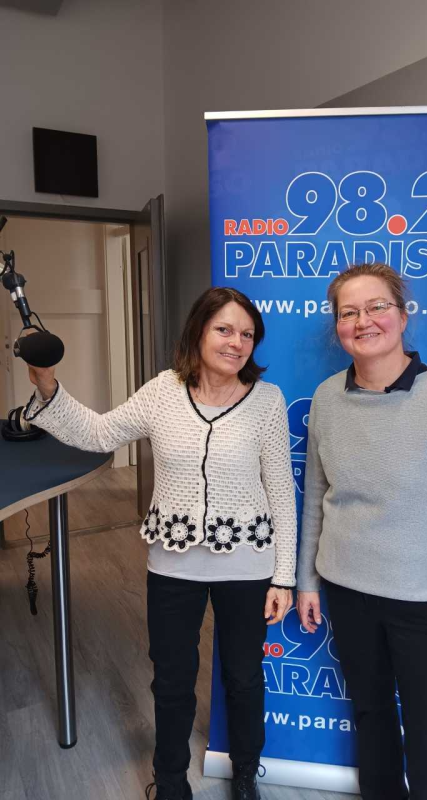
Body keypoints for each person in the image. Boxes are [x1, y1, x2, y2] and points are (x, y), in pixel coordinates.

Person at [25, 286, 297, 800]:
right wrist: (46, 383)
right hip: (173, 565)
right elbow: (98, 433)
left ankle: (245, 774)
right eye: (224, 329)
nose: (236, 343)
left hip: (248, 565)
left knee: (244, 677)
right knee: (171, 679)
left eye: (246, 334)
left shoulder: (267, 401)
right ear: (198, 331)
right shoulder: (162, 392)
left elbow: (281, 490)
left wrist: (283, 576)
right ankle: (171, 782)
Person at [296, 263, 427, 800]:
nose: (363, 321)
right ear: (337, 326)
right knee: (372, 721)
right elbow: (316, 495)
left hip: (424, 607)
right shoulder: (326, 398)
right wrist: (308, 581)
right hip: (347, 592)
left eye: (377, 307)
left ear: (403, 316)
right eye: (348, 313)